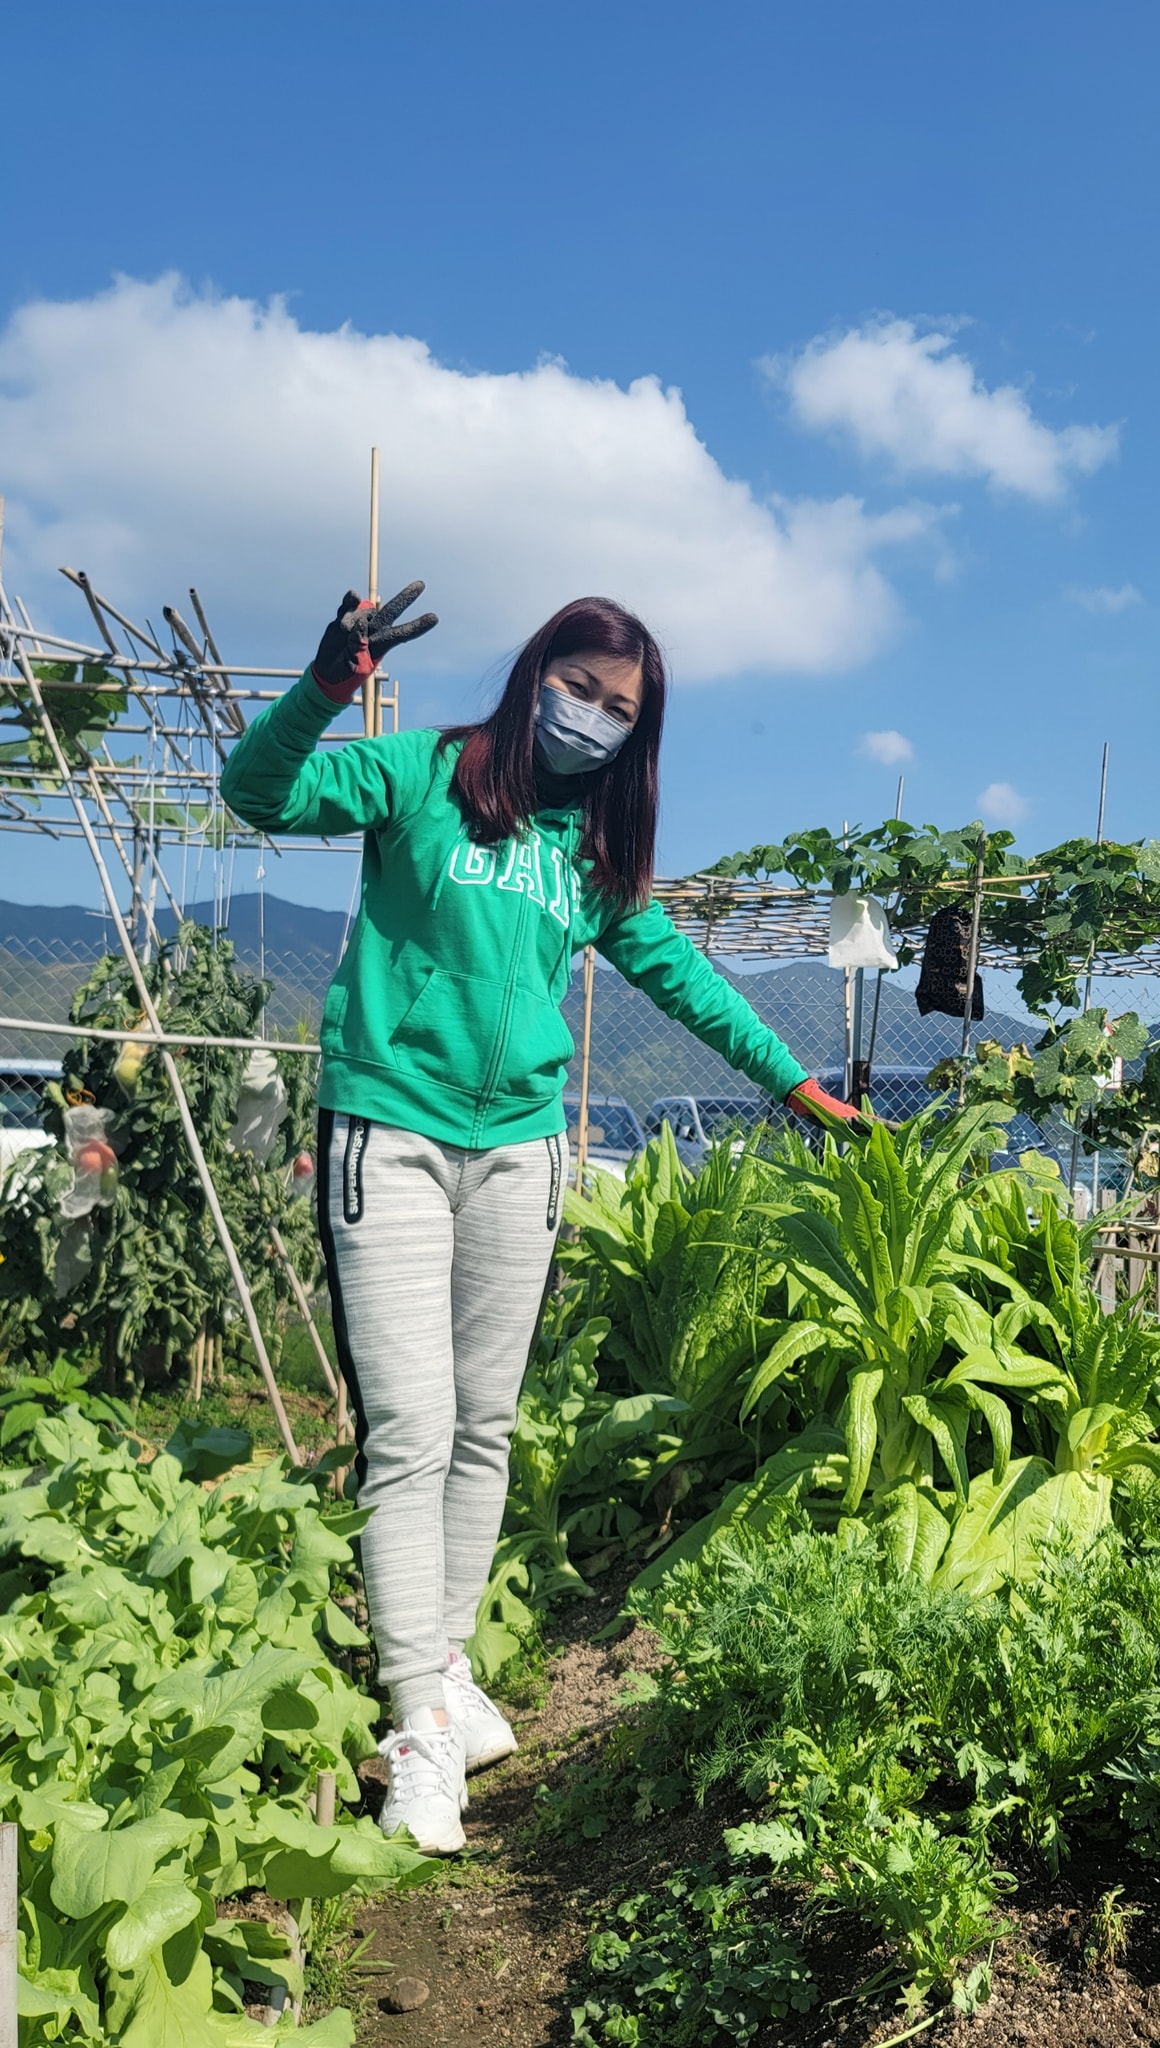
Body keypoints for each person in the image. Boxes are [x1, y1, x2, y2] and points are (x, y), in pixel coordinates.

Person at [220, 584, 860, 1854]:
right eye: (582, 687)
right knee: (409, 1426)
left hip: (520, 1155)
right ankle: (416, 1728)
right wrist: (327, 682)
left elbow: (679, 972)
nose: (595, 719)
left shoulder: (585, 851)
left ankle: (442, 1669)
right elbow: (261, 793)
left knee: (483, 1424)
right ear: (535, 674)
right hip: (390, 1134)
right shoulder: (421, 774)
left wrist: (793, 1081)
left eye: (621, 711)